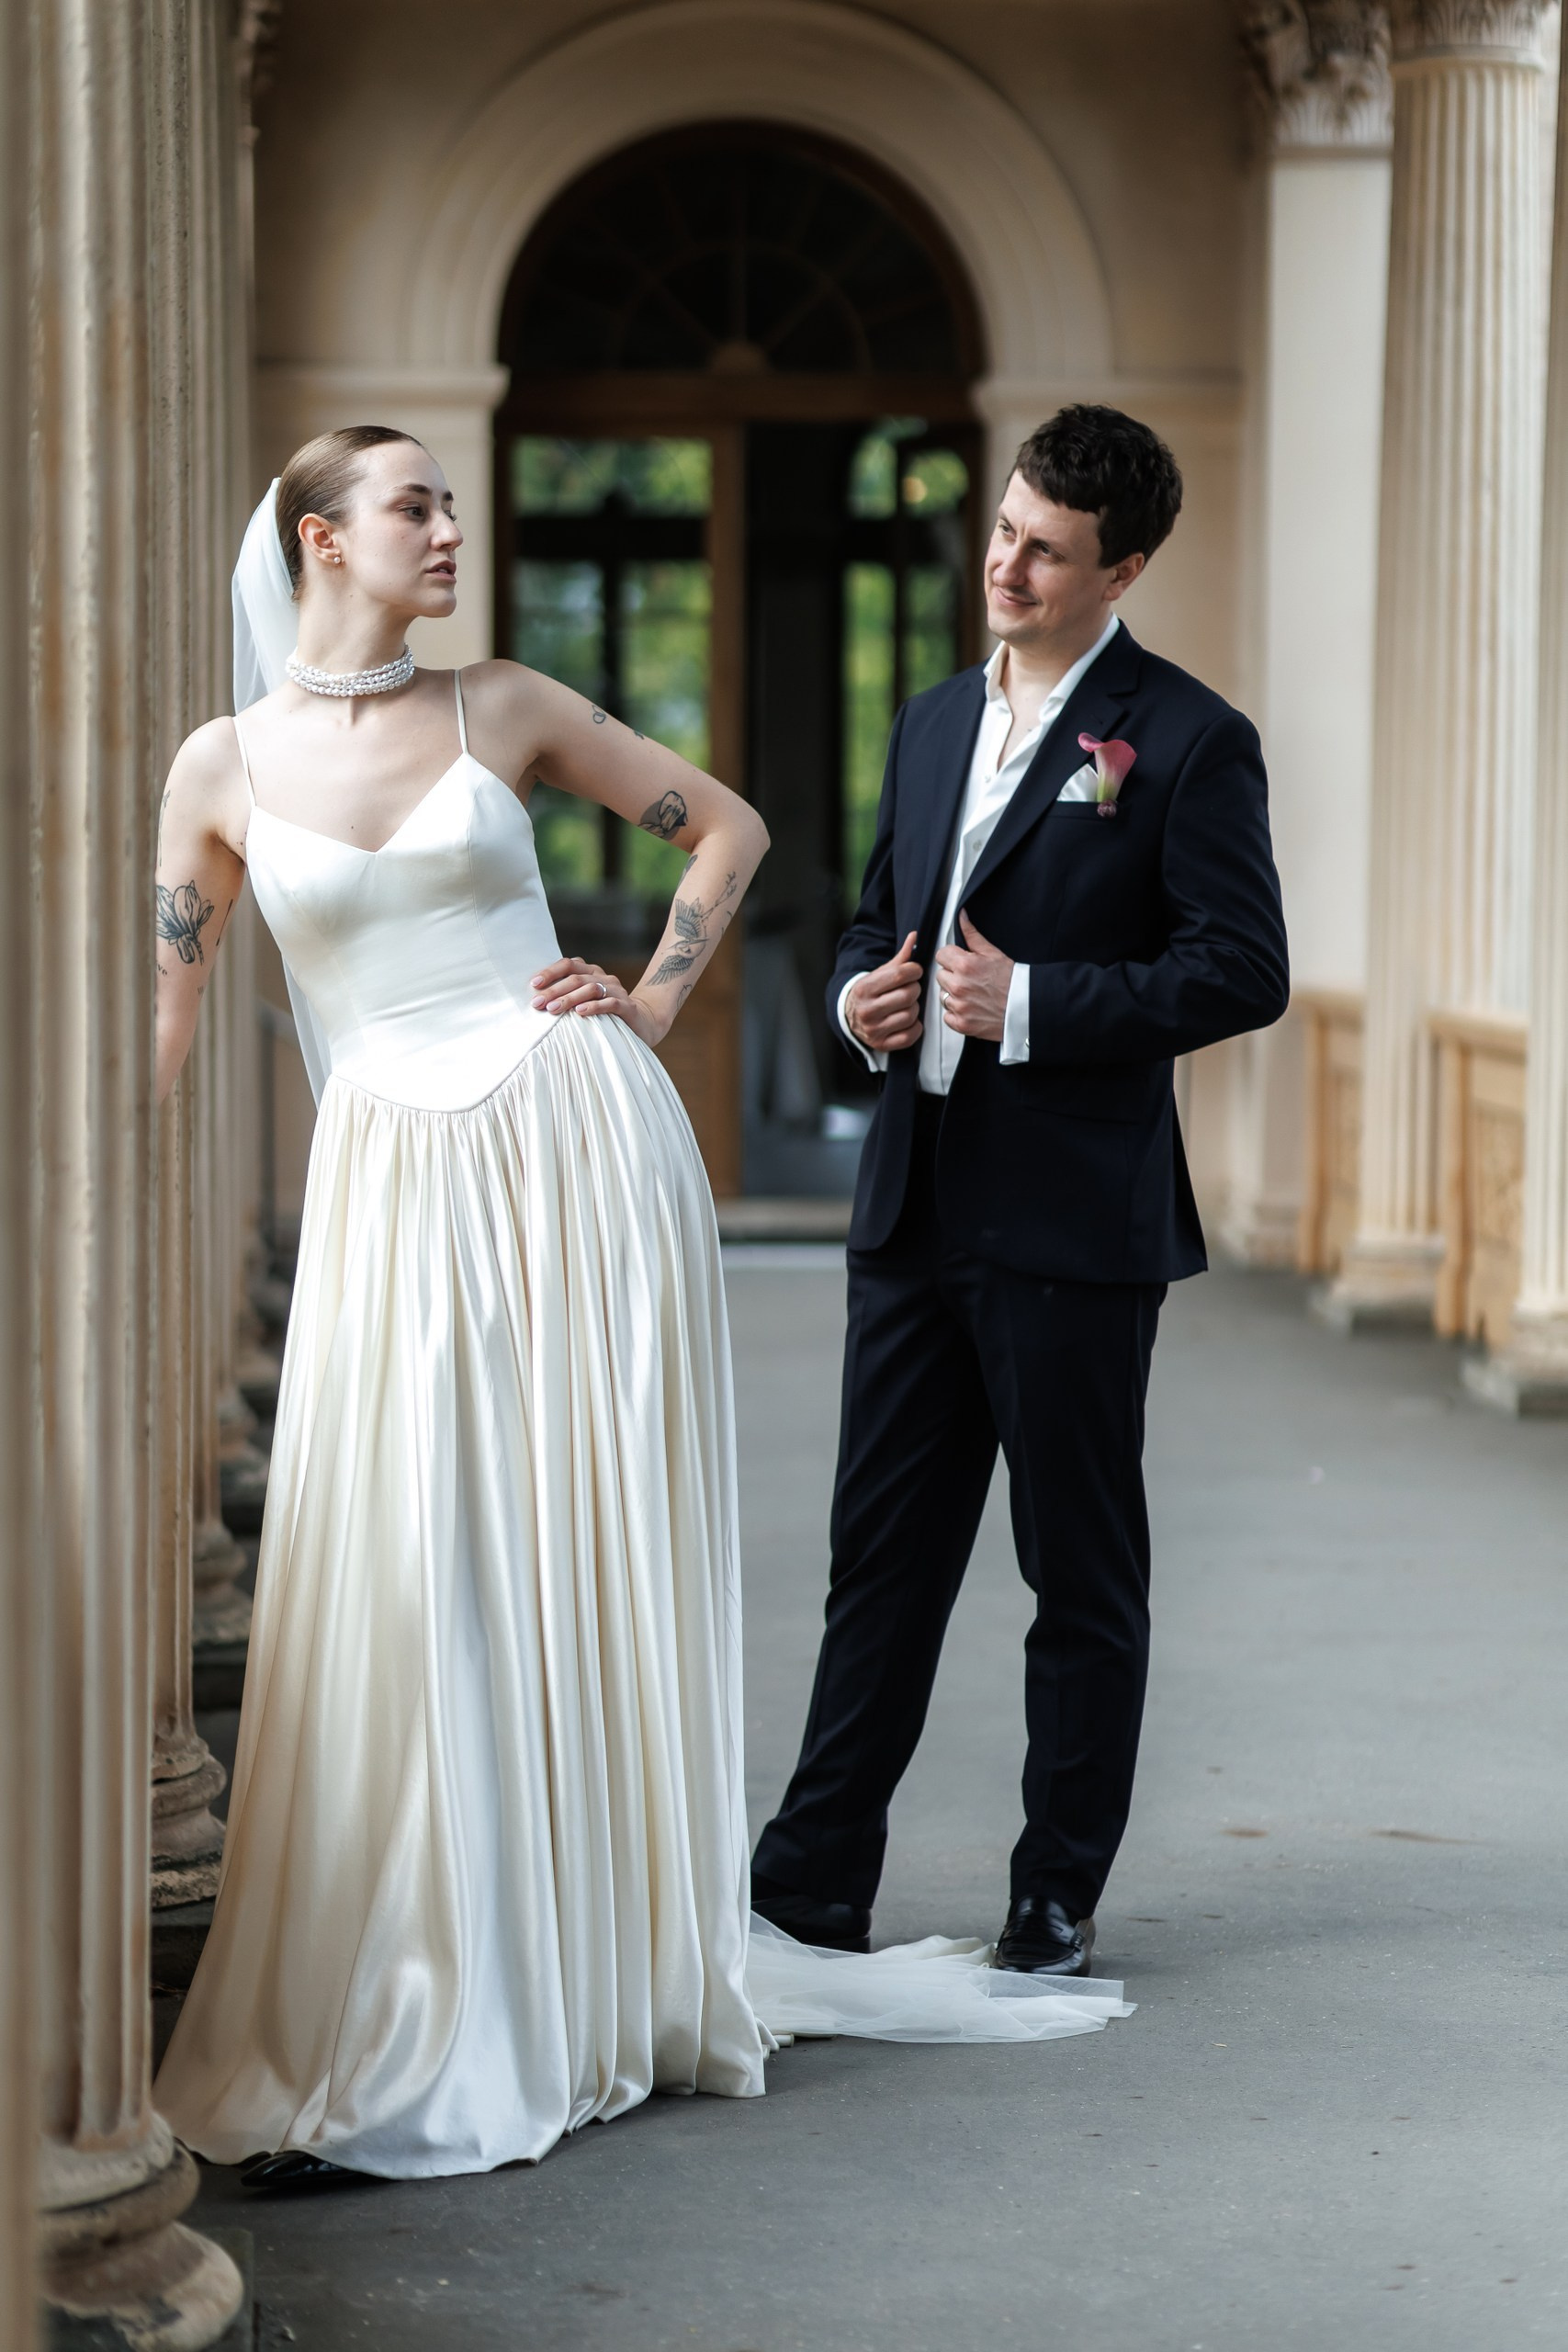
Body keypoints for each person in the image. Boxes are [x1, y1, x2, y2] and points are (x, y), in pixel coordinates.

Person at [152, 427, 1130, 2188]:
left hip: (574, 1158)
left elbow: (729, 832)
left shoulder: (505, 703)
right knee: (402, 1572)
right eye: (414, 505)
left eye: (454, 500)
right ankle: (418, 1980)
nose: (452, 527)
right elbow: (157, 1044)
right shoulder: (215, 771)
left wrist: (650, 1010)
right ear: (317, 537)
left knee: (560, 1563)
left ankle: (581, 1976)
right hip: (390, 1194)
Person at [751, 406, 1290, 1977]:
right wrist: (867, 1003)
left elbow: (1241, 968)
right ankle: (812, 1882)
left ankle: (1056, 1889)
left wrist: (1036, 1006)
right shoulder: (929, 724)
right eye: (1002, 532)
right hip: (912, 1212)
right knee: (881, 1564)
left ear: (1121, 567)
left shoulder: (1188, 738)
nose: (1007, 564)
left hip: (1071, 1222)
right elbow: (873, 921)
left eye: (1045, 550)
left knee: (1079, 1571)